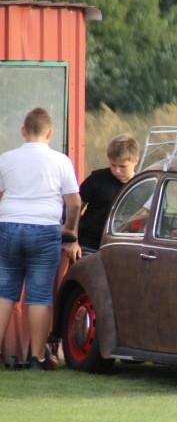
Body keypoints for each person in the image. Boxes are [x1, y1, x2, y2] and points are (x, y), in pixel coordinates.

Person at [0, 107, 82, 370]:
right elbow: (74, 202)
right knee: (39, 294)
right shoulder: (60, 161)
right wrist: (69, 231)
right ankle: (38, 357)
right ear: (50, 133)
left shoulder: (6, 159)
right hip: (45, 229)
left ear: (24, 131)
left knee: (4, 291)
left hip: (8, 226)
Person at [78, 133, 140, 253]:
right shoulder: (97, 178)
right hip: (89, 247)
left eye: (123, 166)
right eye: (113, 165)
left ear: (136, 161)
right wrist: (73, 240)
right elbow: (75, 208)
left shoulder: (144, 186)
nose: (117, 171)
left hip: (125, 250)